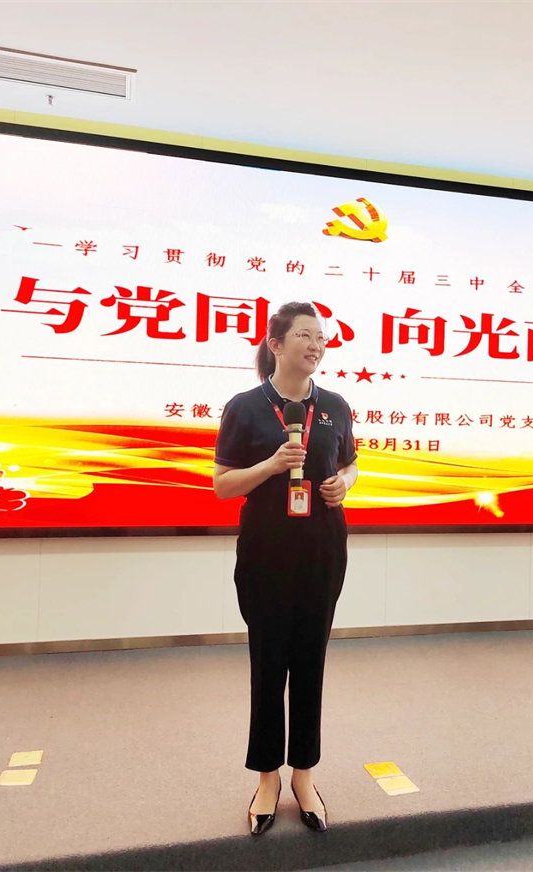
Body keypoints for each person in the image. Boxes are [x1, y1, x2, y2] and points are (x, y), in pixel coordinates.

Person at [213, 301, 359, 835]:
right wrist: (271, 465)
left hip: (322, 551)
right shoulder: (245, 408)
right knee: (269, 666)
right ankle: (266, 779)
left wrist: (344, 484)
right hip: (266, 555)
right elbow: (223, 485)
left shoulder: (335, 405)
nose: (316, 345)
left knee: (311, 665)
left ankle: (304, 776)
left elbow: (350, 464)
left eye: (321, 337)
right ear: (275, 345)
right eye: (305, 335)